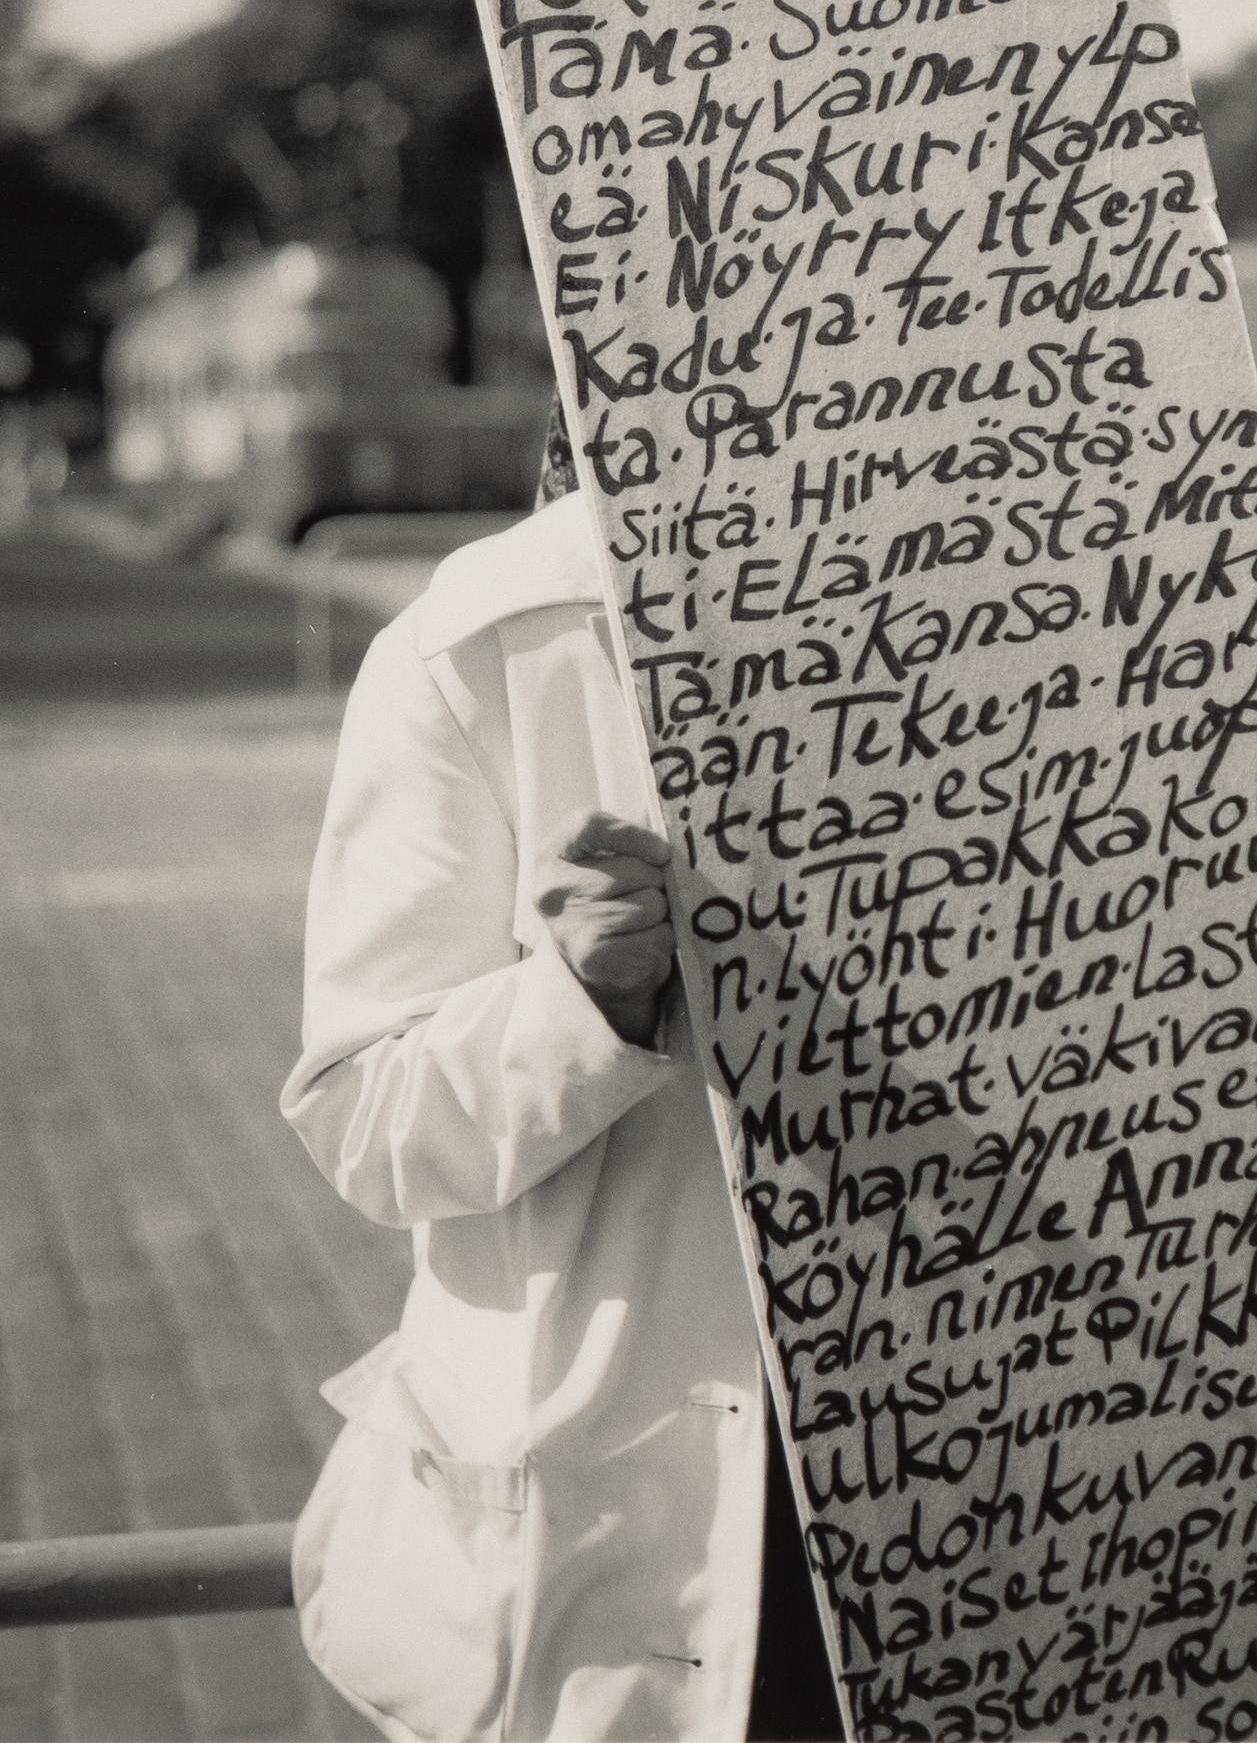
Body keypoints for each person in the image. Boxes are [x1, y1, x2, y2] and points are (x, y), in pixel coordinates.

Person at [281, 403, 842, 1741]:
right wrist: (577, 1000)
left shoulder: (1046, 623)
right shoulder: (481, 650)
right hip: (636, 1530)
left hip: (997, 1473)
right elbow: (364, 1119)